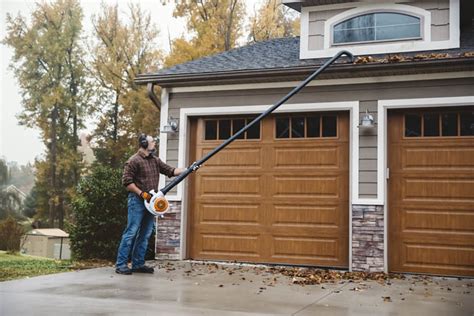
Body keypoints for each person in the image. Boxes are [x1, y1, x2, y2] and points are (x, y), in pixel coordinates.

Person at [115, 134, 185, 275]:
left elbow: (170, 171)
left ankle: (138, 264)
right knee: (131, 232)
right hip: (137, 201)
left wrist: (188, 168)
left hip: (151, 202)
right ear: (144, 143)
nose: (155, 144)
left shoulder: (155, 160)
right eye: (153, 142)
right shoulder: (133, 161)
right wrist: (142, 194)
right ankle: (121, 264)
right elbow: (127, 182)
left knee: (146, 234)